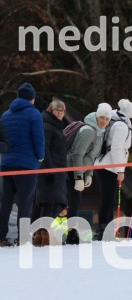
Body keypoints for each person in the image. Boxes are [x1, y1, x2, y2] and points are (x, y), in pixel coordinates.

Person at [0, 83, 45, 246]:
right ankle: (24, 237)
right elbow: (39, 140)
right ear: (32, 98)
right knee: (25, 203)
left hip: (6, 164)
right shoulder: (34, 114)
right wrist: (40, 158)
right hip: (26, 165)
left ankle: (1, 237)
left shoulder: (5, 114)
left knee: (5, 202)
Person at [65, 103, 112, 244]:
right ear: (96, 116)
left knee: (75, 201)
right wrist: (78, 176)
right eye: (101, 117)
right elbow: (77, 155)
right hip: (71, 169)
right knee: (71, 201)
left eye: (107, 119)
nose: (103, 121)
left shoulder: (100, 132)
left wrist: (89, 173)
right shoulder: (88, 131)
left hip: (80, 170)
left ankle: (71, 232)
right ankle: (70, 234)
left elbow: (92, 156)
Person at [95, 99, 132, 238]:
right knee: (109, 199)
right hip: (110, 166)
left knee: (108, 199)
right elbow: (117, 149)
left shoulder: (113, 119)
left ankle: (104, 229)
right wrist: (120, 170)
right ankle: (104, 230)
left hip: (104, 164)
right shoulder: (122, 126)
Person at [32, 99, 68, 246]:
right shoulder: (47, 126)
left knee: (51, 205)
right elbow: (44, 149)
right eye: (57, 110)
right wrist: (49, 170)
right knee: (54, 204)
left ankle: (41, 235)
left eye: (62, 110)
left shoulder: (57, 126)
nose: (59, 112)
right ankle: (43, 236)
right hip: (50, 172)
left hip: (57, 172)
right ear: (50, 111)